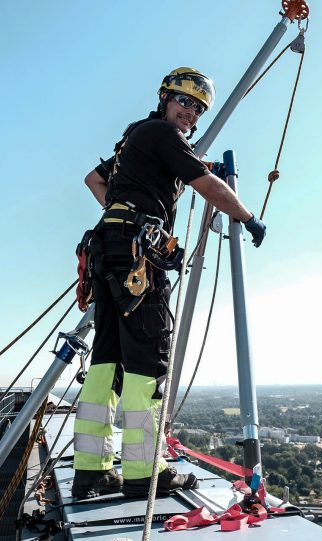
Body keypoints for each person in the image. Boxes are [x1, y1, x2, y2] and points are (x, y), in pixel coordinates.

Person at [71, 67, 267, 499]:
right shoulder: (162, 135)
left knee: (106, 361)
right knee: (147, 363)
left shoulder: (133, 139)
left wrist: (122, 210)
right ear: (165, 99)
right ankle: (144, 473)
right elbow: (206, 184)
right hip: (137, 259)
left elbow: (93, 179)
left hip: (109, 251)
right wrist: (248, 217)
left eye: (198, 108)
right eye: (184, 102)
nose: (190, 113)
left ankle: (91, 469)